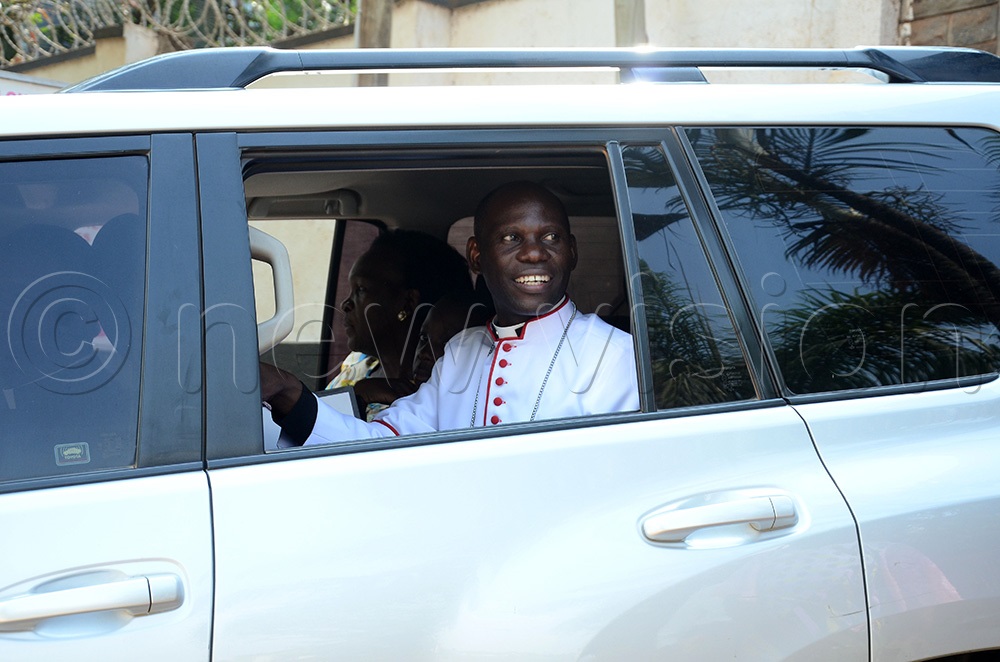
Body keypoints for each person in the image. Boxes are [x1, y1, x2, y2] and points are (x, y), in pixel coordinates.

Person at [261, 180, 639, 445]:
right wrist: (287, 393)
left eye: (551, 237)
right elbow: (386, 443)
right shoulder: (461, 352)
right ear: (477, 255)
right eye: (511, 238)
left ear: (572, 251)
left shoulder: (613, 356)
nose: (535, 253)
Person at [326, 229, 472, 420]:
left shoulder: (433, 392)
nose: (345, 304)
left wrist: (359, 399)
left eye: (361, 289)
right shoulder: (359, 364)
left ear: (407, 303)